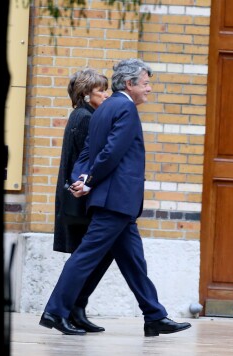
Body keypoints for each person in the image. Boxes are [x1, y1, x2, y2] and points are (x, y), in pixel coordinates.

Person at [39, 58, 191, 336]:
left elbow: (88, 152)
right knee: (84, 257)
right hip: (115, 201)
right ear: (130, 84)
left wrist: (82, 178)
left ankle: (154, 315)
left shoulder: (104, 108)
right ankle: (55, 311)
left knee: (134, 262)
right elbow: (111, 152)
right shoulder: (125, 108)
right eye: (145, 83)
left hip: (116, 202)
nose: (149, 89)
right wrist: (90, 180)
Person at [53, 68, 111, 332]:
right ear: (87, 94)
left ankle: (76, 309)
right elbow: (89, 161)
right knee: (83, 259)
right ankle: (64, 312)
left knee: (92, 257)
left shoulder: (84, 115)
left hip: (79, 197)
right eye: (102, 90)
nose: (107, 94)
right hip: (81, 199)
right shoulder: (86, 118)